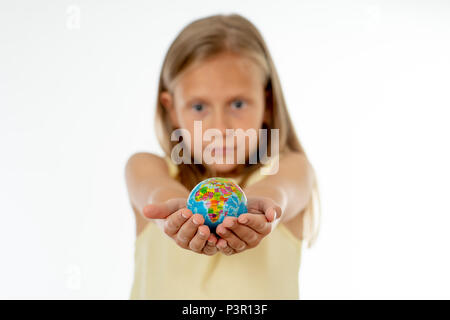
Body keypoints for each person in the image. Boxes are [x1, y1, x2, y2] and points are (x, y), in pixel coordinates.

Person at [125, 13, 320, 299]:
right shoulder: (147, 167)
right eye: (200, 107)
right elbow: (157, 192)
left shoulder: (289, 167)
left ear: (266, 103)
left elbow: (278, 192)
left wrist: (259, 211)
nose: (220, 128)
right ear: (172, 109)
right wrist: (176, 213)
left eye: (237, 103)